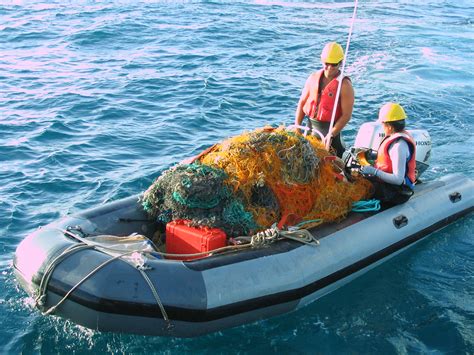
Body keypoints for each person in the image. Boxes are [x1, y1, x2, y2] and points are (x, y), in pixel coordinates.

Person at [294, 42, 355, 157]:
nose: (330, 68)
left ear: (340, 63)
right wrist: (297, 126)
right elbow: (302, 103)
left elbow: (346, 115)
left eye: (334, 64)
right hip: (310, 131)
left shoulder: (345, 85)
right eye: (327, 64)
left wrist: (331, 135)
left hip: (330, 135)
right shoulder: (312, 78)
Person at [360, 102, 417, 206]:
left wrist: (374, 171)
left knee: (361, 188)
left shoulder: (398, 146)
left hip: (398, 191)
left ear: (389, 126)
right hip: (388, 184)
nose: (382, 126)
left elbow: (398, 179)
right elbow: (387, 159)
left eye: (383, 124)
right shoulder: (396, 137)